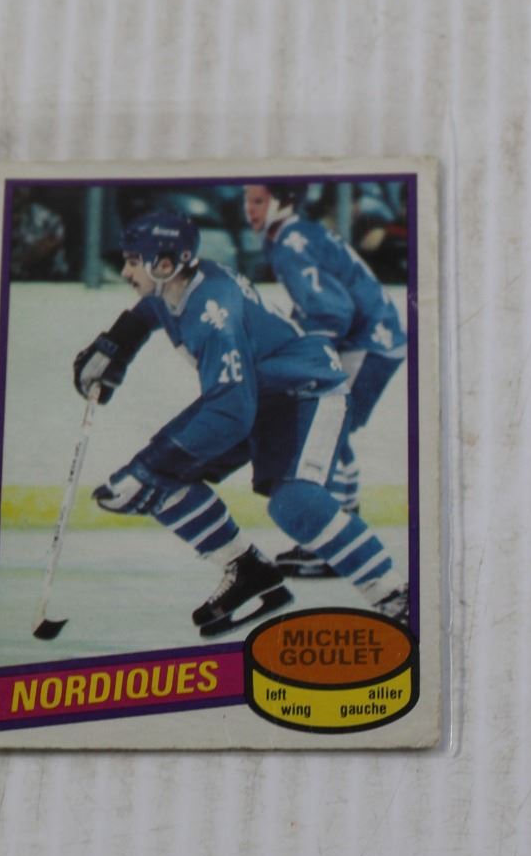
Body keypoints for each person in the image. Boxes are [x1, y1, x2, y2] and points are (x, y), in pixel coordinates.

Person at [71, 210, 409, 637]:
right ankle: (247, 571)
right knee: (162, 479)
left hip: (305, 389)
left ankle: (396, 596)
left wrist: (149, 462)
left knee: (294, 503)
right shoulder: (175, 286)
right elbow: (150, 311)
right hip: (257, 392)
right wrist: (115, 345)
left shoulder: (215, 314)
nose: (125, 271)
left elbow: (231, 414)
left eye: (134, 261)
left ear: (165, 264)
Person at [242, 182, 407, 576]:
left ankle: (332, 541)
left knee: (329, 431)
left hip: (368, 342)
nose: (250, 209)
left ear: (285, 199)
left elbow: (332, 311)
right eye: (247, 201)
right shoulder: (293, 234)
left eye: (259, 200)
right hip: (374, 338)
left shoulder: (289, 241)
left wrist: (305, 357)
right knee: (333, 431)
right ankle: (339, 535)